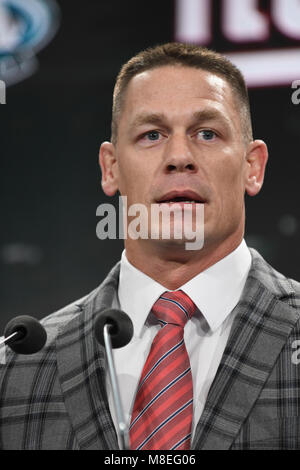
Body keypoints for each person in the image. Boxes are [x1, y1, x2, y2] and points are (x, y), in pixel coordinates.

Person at [1, 42, 299, 450]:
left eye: (207, 133)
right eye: (151, 135)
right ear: (111, 168)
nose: (179, 156)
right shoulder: (18, 365)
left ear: (253, 166)